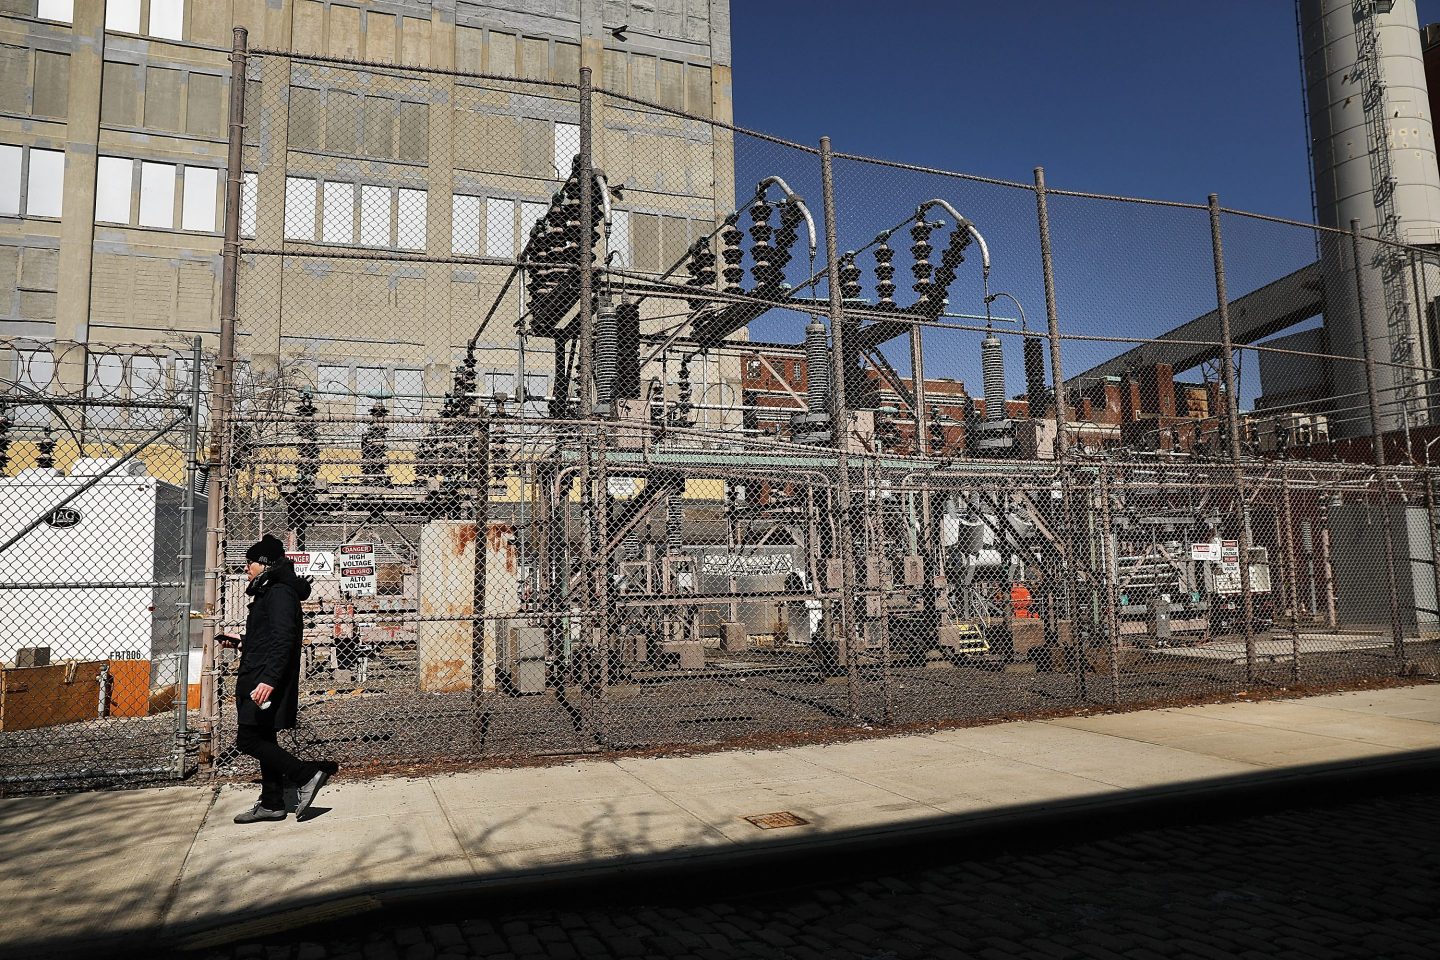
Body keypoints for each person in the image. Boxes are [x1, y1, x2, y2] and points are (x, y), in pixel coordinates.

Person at [220, 534, 337, 823]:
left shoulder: (279, 592)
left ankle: (306, 774)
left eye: (250, 563)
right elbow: (269, 636)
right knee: (263, 735)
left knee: (248, 739)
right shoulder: (271, 590)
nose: (246, 567)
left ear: (265, 564)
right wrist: (243, 641)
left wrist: (269, 680)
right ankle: (272, 803)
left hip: (264, 678)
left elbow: (284, 640)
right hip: (259, 672)